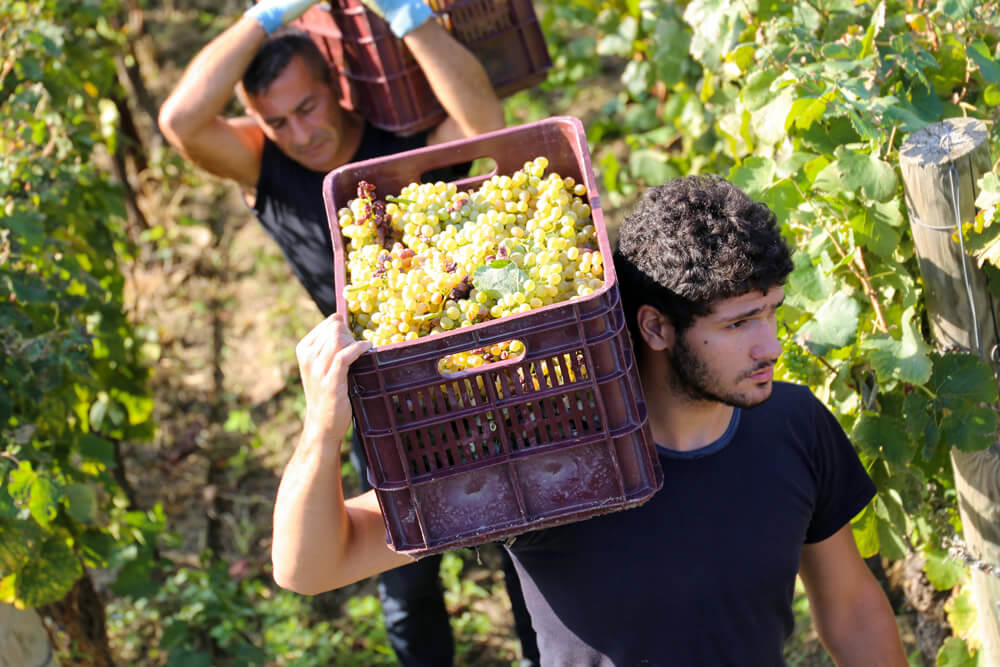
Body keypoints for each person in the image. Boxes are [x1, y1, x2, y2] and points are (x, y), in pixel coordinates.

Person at [274, 174, 910, 665]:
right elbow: (310, 567)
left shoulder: (793, 424)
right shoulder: (539, 453)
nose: (770, 345)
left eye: (771, 312)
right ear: (656, 327)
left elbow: (848, 602)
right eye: (740, 323)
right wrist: (321, 433)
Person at [157, 1, 539, 665]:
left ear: (336, 86)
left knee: (522, 538)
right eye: (275, 120)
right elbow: (180, 121)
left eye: (307, 107)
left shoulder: (399, 151)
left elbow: (483, 120)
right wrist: (267, 15)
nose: (299, 133)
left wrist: (409, 16)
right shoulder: (266, 171)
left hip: (472, 371)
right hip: (378, 398)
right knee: (406, 576)